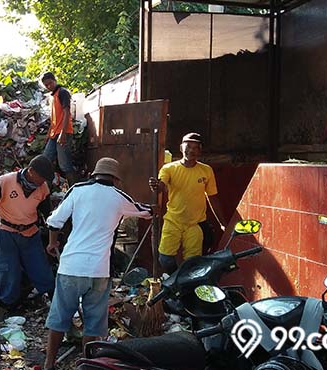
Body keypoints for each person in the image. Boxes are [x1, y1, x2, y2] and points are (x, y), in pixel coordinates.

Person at [43, 158, 153, 368]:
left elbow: (53, 221)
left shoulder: (78, 190)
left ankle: (49, 363)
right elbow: (146, 211)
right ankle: (88, 364)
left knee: (60, 317)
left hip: (71, 267)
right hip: (99, 270)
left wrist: (52, 242)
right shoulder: (119, 197)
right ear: (114, 178)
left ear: (94, 174)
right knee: (94, 324)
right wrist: (155, 202)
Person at [0, 154, 56, 341]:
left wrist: (52, 228)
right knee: (7, 278)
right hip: (7, 233)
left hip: (31, 234)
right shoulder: (6, 181)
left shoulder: (42, 188)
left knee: (43, 274)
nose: (43, 182)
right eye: (41, 177)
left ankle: (64, 321)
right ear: (31, 171)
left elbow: (46, 212)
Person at [148, 132, 227, 273]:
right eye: (188, 146)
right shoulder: (169, 169)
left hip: (195, 224)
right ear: (181, 147)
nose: (192, 150)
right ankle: (176, 280)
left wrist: (222, 223)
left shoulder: (206, 170)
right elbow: (161, 186)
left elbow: (212, 197)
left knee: (193, 263)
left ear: (200, 151)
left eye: (196, 148)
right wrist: (156, 186)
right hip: (173, 221)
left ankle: (185, 287)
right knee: (165, 259)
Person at [41, 72, 76, 185]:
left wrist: (63, 133)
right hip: (54, 134)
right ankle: (46, 188)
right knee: (45, 159)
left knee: (64, 164)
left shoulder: (63, 93)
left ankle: (73, 188)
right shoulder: (53, 97)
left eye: (50, 83)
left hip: (63, 132)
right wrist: (48, 133)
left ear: (55, 80)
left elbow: (66, 113)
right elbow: (54, 118)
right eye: (46, 85)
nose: (49, 86)